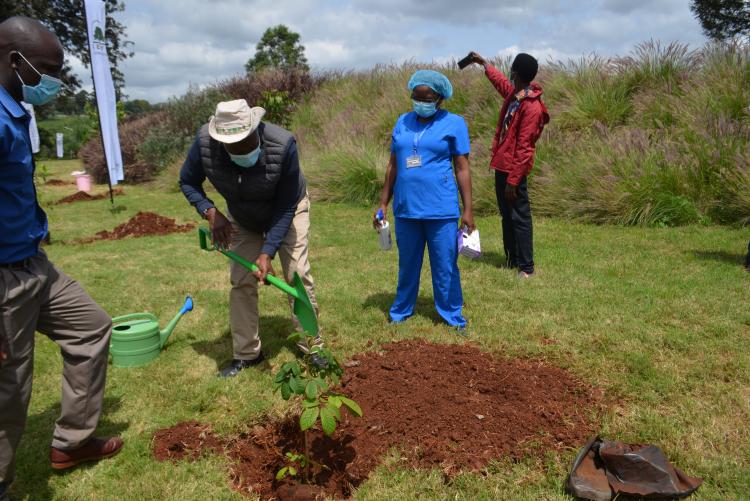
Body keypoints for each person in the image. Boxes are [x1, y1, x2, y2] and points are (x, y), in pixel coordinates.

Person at [0, 17, 123, 499]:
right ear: (15, 60)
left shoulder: (14, 109)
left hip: (32, 264)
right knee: (9, 393)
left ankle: (71, 442)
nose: (54, 81)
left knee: (90, 326)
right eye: (47, 69)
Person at [180, 99, 323, 377]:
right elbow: (188, 181)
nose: (241, 151)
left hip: (289, 209)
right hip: (243, 216)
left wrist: (267, 251)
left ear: (255, 130)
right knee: (241, 280)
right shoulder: (204, 144)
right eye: (232, 147)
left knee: (297, 274)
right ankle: (247, 355)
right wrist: (210, 212)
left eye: (245, 142)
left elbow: (286, 206)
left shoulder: (283, 145)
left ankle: (314, 349)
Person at [373, 70, 475, 330]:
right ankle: (400, 311)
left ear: (439, 99)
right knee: (407, 266)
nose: (421, 103)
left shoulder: (454, 123)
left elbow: (462, 168)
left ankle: (452, 315)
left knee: (445, 268)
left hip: (441, 209)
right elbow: (393, 165)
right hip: (406, 209)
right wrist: (384, 203)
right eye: (416, 97)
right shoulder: (402, 122)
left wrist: (468, 210)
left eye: (427, 98)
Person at [467, 51, 549, 278]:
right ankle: (512, 259)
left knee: (520, 216)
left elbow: (525, 148)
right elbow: (502, 84)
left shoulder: (530, 106)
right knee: (507, 215)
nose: (509, 74)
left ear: (516, 72)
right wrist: (484, 64)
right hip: (503, 166)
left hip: (514, 170)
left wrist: (514, 180)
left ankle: (526, 267)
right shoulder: (517, 95)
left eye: (511, 69)